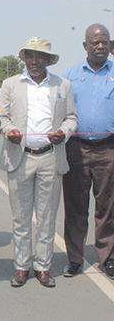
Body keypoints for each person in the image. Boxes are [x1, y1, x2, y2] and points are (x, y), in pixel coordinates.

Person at [0, 37, 77, 287]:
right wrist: (9, 130)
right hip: (20, 157)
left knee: (46, 216)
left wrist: (63, 132)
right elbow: (3, 116)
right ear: (24, 59)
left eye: (39, 56)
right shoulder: (11, 84)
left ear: (47, 60)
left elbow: (72, 118)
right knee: (21, 218)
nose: (34, 61)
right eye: (30, 56)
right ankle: (22, 266)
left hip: (51, 157)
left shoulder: (62, 85)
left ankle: (43, 267)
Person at [62, 24, 114, 279]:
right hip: (76, 149)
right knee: (75, 207)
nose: (101, 46)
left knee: (107, 207)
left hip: (108, 150)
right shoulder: (69, 76)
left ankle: (108, 258)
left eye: (105, 42)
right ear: (85, 46)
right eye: (95, 42)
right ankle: (74, 259)